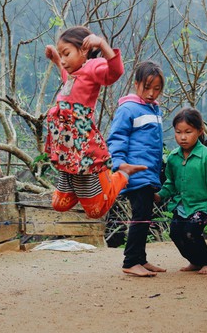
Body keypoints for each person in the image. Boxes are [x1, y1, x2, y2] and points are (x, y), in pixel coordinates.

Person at [45, 26, 146, 219]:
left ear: (83, 51)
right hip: (67, 150)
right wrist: (57, 61)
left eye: (66, 53)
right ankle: (84, 189)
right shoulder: (76, 72)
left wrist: (102, 44)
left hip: (82, 148)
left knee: (95, 211)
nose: (64, 60)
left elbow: (116, 72)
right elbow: (69, 82)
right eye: (61, 55)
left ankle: (121, 174)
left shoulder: (93, 67)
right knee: (58, 205)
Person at [107, 61, 167, 277]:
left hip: (149, 173)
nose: (151, 93)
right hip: (135, 173)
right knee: (140, 216)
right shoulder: (128, 109)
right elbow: (116, 138)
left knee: (145, 216)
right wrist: (120, 164)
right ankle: (130, 261)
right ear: (136, 85)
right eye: (147, 87)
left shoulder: (154, 108)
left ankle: (140, 259)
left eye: (157, 88)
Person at [155, 107, 207, 274]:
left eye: (188, 132)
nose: (182, 137)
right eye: (178, 132)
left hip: (201, 206)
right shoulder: (173, 157)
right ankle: (195, 261)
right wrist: (159, 195)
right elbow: (171, 183)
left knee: (191, 233)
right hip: (182, 206)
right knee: (176, 233)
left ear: (199, 131)